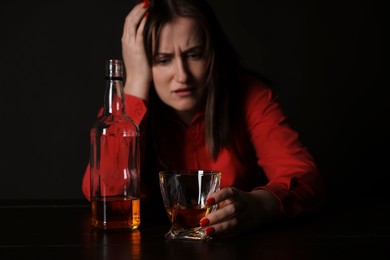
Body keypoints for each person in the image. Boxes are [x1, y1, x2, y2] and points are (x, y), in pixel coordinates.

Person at [82, 0, 325, 237]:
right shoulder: (126, 107)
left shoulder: (250, 94)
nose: (182, 76)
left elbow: (304, 177)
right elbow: (105, 191)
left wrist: (260, 205)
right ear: (143, 62)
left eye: (194, 54)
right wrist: (134, 83)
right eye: (163, 60)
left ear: (213, 54)